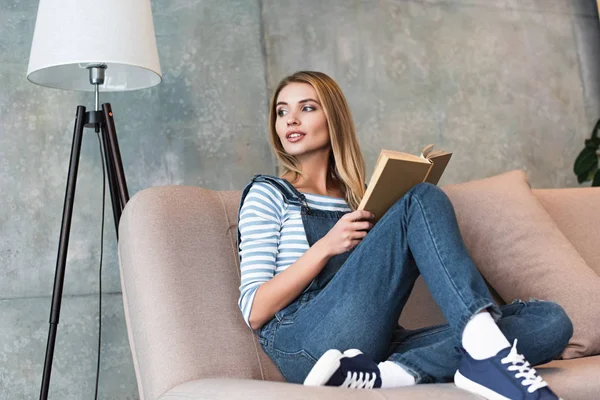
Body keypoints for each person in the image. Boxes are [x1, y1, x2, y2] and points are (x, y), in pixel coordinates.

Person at [236, 71, 572, 399]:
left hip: (371, 345)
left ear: (333, 118)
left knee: (550, 322)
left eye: (306, 108)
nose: (291, 120)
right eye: (282, 111)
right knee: (421, 198)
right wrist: (325, 246)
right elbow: (253, 310)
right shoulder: (270, 193)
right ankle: (487, 357)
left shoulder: (359, 199)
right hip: (303, 344)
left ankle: (389, 375)